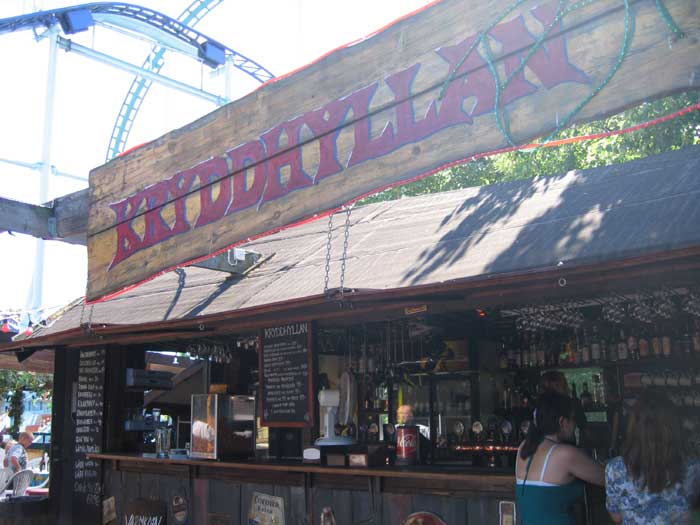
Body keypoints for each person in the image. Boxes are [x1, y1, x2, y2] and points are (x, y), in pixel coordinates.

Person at [605, 391, 700, 524]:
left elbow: (617, 517)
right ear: (674, 426)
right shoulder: (692, 466)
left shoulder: (615, 469)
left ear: (633, 427)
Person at [516, 391, 604, 525]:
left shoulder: (524, 447)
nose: (575, 425)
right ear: (562, 422)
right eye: (573, 419)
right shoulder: (564, 454)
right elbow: (608, 478)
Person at [539, 370, 588, 445]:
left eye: (558, 385)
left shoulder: (573, 403)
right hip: (546, 446)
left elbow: (584, 428)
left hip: (566, 445)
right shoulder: (540, 406)